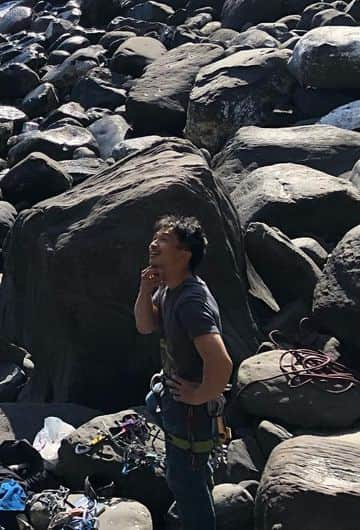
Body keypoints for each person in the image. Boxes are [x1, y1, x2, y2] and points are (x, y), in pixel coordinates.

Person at [135, 216, 232, 530]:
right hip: (174, 393)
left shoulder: (192, 301)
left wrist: (200, 394)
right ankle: (200, 472)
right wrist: (144, 289)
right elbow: (145, 325)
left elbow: (222, 363)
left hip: (191, 409)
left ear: (185, 253)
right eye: (155, 237)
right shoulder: (167, 288)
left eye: (163, 240)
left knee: (183, 481)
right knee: (154, 402)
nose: (153, 243)